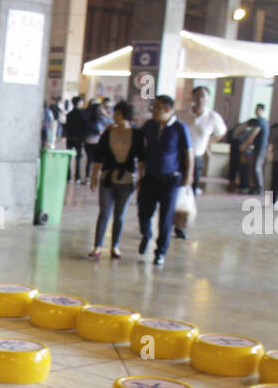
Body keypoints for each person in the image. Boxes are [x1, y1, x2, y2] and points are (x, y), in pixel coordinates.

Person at [135, 95, 191, 267]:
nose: (153, 110)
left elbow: (189, 154)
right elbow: (137, 141)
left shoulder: (180, 128)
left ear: (167, 109)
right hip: (150, 178)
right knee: (144, 212)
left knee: (166, 218)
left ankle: (160, 252)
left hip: (170, 180)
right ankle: (146, 234)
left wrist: (188, 178)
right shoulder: (150, 125)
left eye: (157, 107)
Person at [88, 99, 145, 260]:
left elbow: (141, 159)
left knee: (120, 214)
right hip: (107, 178)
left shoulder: (137, 135)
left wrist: (142, 178)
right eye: (115, 113)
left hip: (127, 180)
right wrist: (94, 176)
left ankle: (115, 246)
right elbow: (98, 156)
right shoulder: (108, 133)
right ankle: (98, 246)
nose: (115, 117)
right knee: (104, 212)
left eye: (118, 114)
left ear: (126, 116)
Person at [181, 85, 227, 197]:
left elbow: (221, 133)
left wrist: (208, 143)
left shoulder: (213, 116)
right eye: (197, 96)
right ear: (192, 97)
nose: (200, 99)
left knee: (191, 189)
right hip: (179, 155)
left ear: (208, 98)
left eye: (203, 96)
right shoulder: (181, 114)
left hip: (196, 157)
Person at [241, 103, 268, 195]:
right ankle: (255, 187)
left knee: (256, 167)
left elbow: (254, 134)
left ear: (262, 111)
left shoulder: (261, 121)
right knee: (253, 166)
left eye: (259, 109)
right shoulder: (259, 121)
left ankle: (259, 188)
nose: (256, 111)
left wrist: (245, 144)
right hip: (257, 147)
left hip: (261, 148)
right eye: (256, 109)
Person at [63, 96, 87, 183]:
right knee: (78, 158)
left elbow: (66, 126)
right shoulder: (83, 114)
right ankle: (77, 177)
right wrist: (83, 139)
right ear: (78, 103)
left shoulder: (69, 114)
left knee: (68, 158)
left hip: (70, 138)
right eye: (81, 102)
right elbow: (85, 127)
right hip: (79, 139)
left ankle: (68, 177)